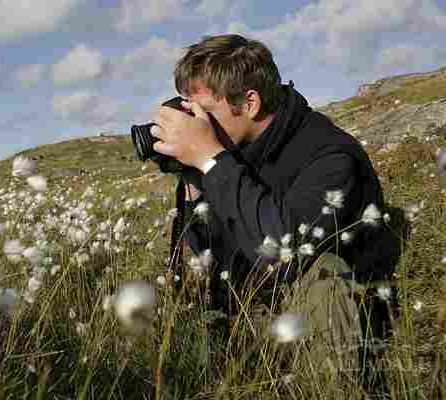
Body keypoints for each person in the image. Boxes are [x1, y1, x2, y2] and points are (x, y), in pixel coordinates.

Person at [150, 34, 401, 388]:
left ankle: (335, 392)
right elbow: (207, 257)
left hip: (327, 321)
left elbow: (284, 251)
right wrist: (194, 182)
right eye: (191, 110)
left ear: (250, 102)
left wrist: (212, 161)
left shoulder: (330, 156)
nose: (197, 123)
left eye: (206, 112)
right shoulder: (232, 151)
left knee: (323, 273)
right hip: (252, 311)